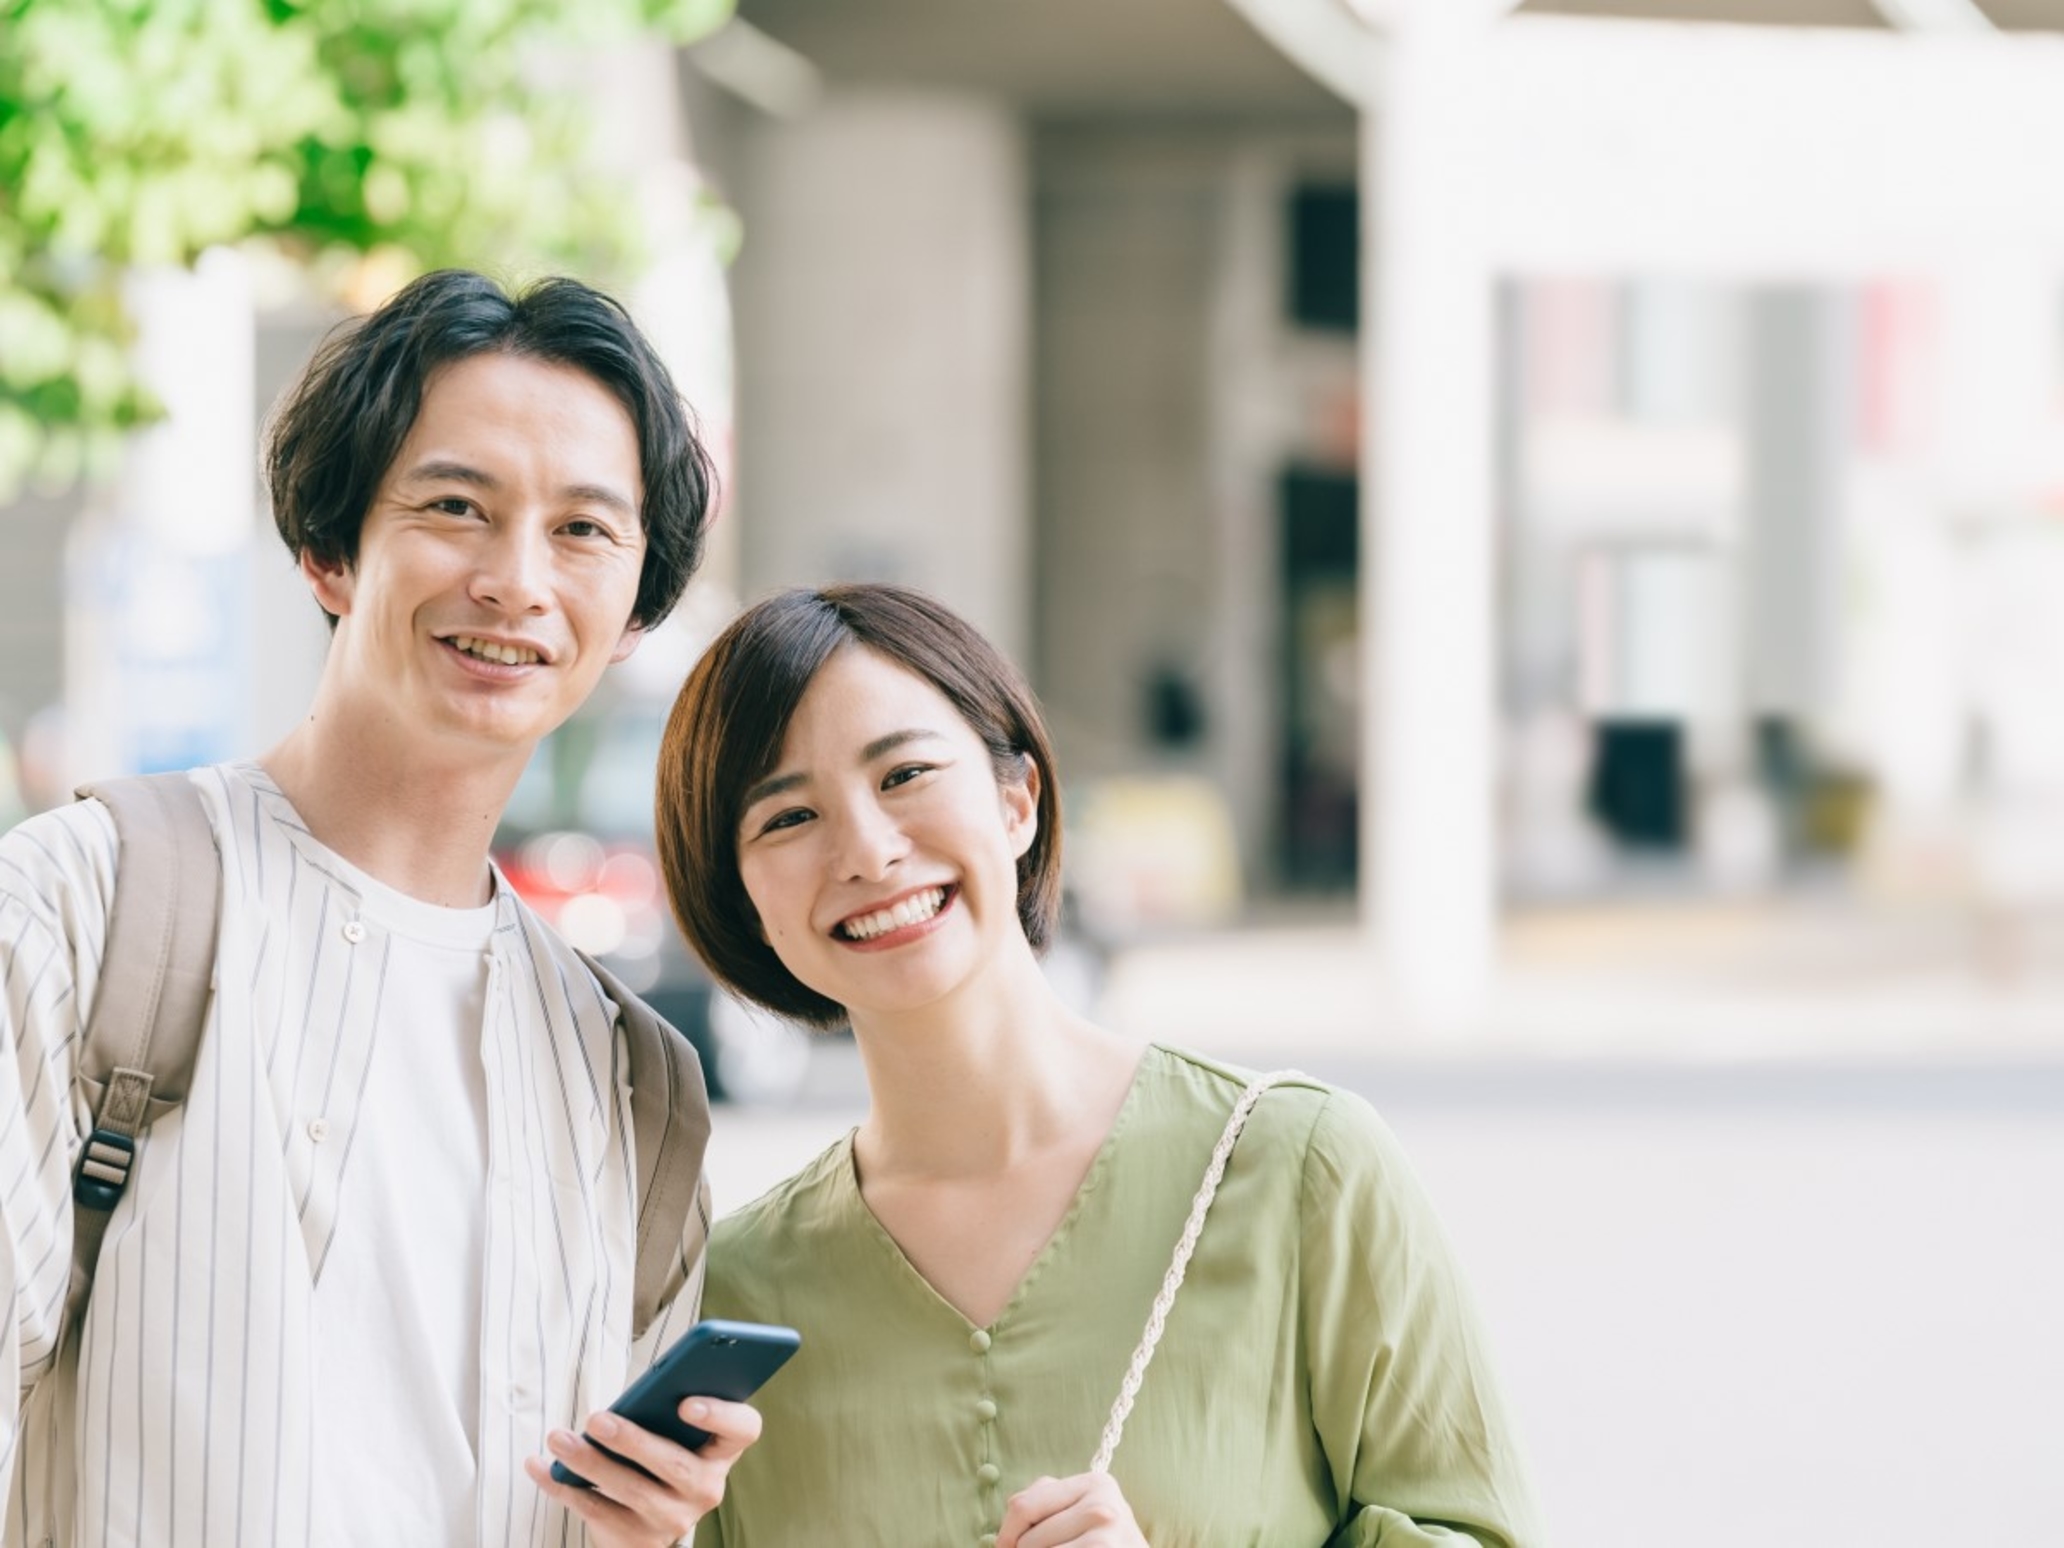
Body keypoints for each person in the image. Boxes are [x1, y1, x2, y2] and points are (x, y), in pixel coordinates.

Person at [2, 269, 760, 1547]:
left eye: (583, 531)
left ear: (633, 610)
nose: (518, 581)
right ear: (331, 548)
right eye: (457, 507)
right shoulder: (85, 906)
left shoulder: (635, 1082)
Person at [653, 583, 1544, 1548]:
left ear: (1017, 800)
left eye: (904, 774)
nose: (867, 851)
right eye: (787, 819)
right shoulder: (734, 1294)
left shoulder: (1299, 1168)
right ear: (742, 900)